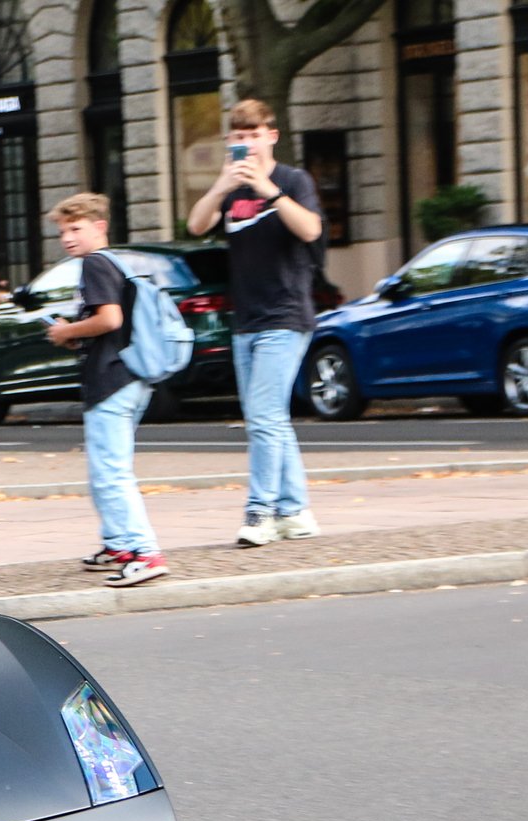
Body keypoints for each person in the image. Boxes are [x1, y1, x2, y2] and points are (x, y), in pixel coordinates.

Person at [186, 98, 324, 548]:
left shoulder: (292, 180)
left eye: (253, 134)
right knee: (269, 418)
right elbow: (196, 224)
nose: (246, 143)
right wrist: (221, 185)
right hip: (247, 318)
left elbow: (310, 231)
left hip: (286, 314)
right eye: (237, 136)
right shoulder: (231, 191)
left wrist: (270, 191)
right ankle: (295, 511)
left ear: (272, 136)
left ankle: (260, 511)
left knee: (263, 417)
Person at [44, 193, 167, 588]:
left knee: (112, 473)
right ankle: (118, 544)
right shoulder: (113, 263)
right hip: (126, 379)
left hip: (111, 380)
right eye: (63, 231)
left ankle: (145, 552)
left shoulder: (96, 263)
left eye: (76, 229)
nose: (67, 238)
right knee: (106, 470)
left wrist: (66, 331)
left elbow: (109, 319)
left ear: (100, 227)